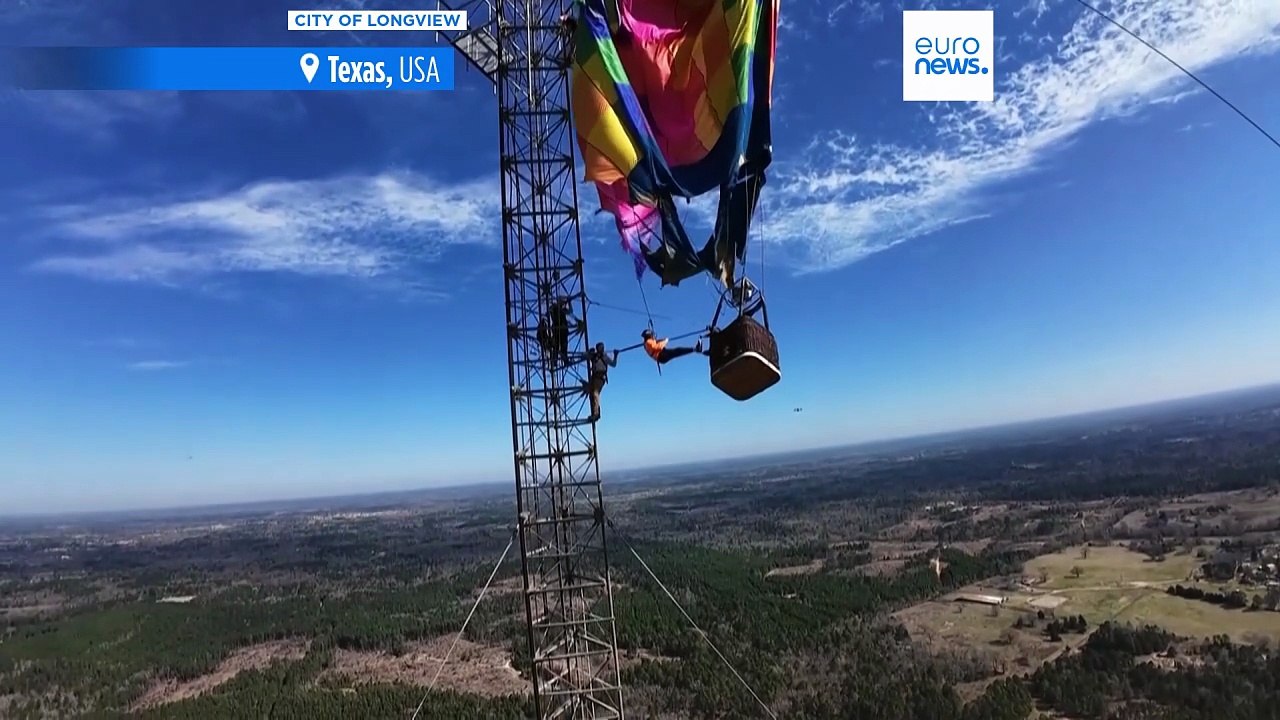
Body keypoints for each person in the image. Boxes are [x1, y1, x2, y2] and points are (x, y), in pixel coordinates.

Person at [585, 342, 618, 422]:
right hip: (594, 377)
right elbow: (586, 356)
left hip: (600, 378)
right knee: (592, 395)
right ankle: (595, 413)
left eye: (602, 347)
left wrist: (615, 355)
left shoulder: (604, 357)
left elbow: (613, 364)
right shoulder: (594, 356)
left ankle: (596, 414)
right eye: (600, 347)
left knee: (595, 394)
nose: (602, 349)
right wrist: (590, 352)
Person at [537, 298, 573, 365]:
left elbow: (570, 311)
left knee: (562, 347)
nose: (563, 304)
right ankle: (556, 361)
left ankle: (563, 361)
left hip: (562, 330)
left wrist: (569, 302)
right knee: (557, 347)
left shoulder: (559, 309)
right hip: (558, 329)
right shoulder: (555, 308)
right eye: (562, 302)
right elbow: (550, 311)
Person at [641, 328, 706, 365]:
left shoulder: (648, 342)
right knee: (677, 351)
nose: (653, 336)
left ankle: (695, 349)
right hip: (661, 356)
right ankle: (696, 349)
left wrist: (661, 340)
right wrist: (665, 341)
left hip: (661, 356)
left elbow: (655, 344)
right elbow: (658, 347)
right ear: (649, 335)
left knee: (677, 351)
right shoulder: (648, 342)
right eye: (652, 335)